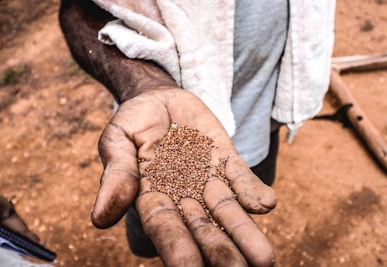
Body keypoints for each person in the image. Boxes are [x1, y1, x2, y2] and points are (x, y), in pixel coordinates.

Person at [58, 0, 335, 266]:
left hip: (261, 116)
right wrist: (146, 84)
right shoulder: (162, 151)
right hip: (154, 129)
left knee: (243, 209)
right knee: (168, 236)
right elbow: (76, 9)